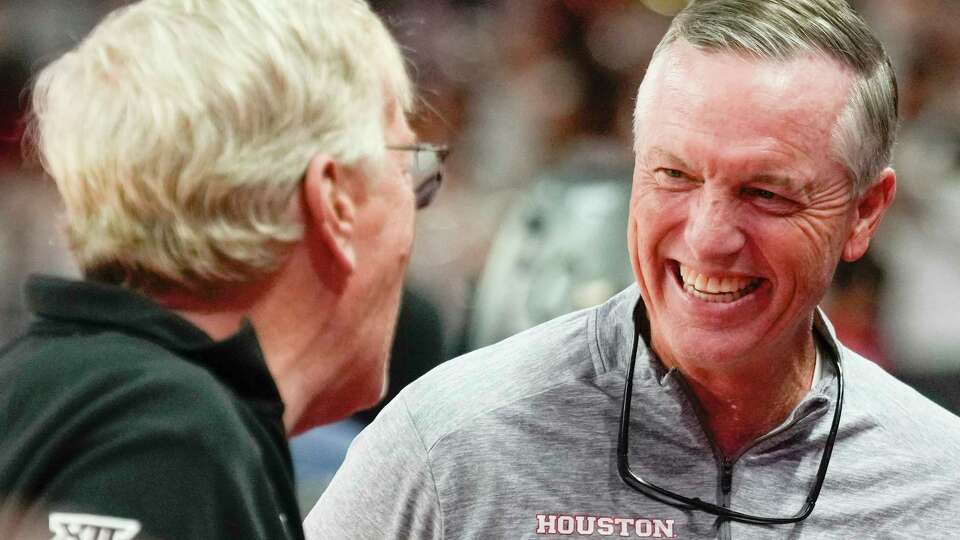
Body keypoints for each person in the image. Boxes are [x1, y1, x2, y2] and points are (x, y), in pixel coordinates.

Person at [304, 1, 960, 538]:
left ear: (865, 212)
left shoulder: (939, 481)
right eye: (673, 176)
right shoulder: (450, 445)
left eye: (766, 193)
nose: (707, 240)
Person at [0, 0, 446, 538]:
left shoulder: (72, 392)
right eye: (407, 169)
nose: (415, 208)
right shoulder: (164, 435)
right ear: (335, 200)